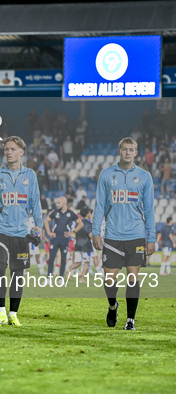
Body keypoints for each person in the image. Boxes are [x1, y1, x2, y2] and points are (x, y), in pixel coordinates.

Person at [93, 137, 156, 331]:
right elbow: (99, 205)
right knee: (110, 279)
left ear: (136, 153)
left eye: (131, 150)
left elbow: (149, 209)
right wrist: (96, 231)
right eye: (124, 149)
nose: (127, 153)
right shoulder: (106, 175)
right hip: (112, 235)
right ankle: (113, 306)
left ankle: (131, 320)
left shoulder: (145, 176)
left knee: (132, 277)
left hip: (136, 235)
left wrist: (151, 237)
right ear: (119, 151)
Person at [0, 136, 43, 327]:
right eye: (6, 149)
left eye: (13, 149)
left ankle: (13, 314)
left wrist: (38, 224)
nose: (8, 152)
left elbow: (35, 202)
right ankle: (0, 312)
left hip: (22, 233)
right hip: (0, 231)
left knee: (17, 274)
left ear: (21, 152)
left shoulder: (30, 175)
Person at [44, 196, 83, 279]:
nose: (57, 204)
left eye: (58, 203)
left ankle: (61, 278)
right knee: (51, 258)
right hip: (55, 238)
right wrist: (49, 232)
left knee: (63, 259)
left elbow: (80, 224)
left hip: (65, 239)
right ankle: (48, 278)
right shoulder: (55, 212)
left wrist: (72, 232)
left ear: (64, 203)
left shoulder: (71, 213)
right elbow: (46, 221)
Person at [64, 208, 94, 282]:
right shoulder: (89, 224)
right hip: (86, 245)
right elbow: (90, 234)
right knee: (87, 262)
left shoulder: (78, 224)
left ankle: (69, 269)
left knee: (78, 262)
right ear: (88, 214)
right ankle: (82, 279)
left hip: (77, 244)